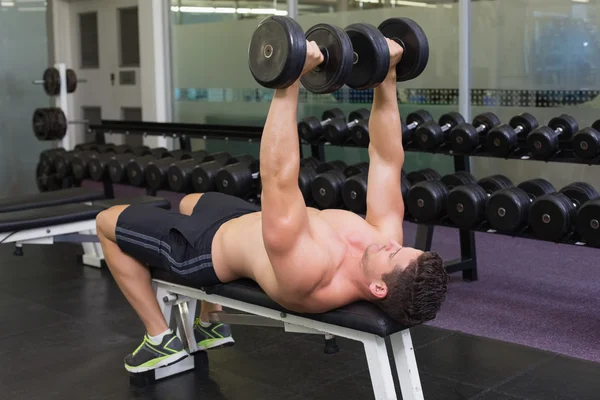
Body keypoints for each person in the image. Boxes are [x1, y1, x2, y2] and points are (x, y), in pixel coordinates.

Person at [96, 38, 448, 374]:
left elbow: (278, 175)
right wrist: (386, 75)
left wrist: (289, 77)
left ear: (378, 289)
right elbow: (387, 160)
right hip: (248, 224)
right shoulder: (383, 243)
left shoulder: (310, 272)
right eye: (400, 248)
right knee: (188, 201)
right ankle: (209, 324)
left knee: (105, 221)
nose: (392, 243)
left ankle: (159, 339)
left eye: (392, 254)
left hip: (204, 250)